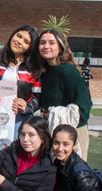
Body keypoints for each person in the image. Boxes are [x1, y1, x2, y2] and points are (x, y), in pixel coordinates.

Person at [29, 29, 92, 161]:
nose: (46, 46)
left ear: (60, 47)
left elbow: (84, 106)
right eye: (42, 43)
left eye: (51, 43)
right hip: (52, 131)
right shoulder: (45, 73)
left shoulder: (68, 71)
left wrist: (66, 134)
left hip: (72, 133)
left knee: (71, 176)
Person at [0, 25, 41, 162]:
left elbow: (38, 97)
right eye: (18, 36)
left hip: (20, 120)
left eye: (26, 41)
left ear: (30, 47)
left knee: (16, 159)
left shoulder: (34, 68)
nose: (19, 41)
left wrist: (27, 106)